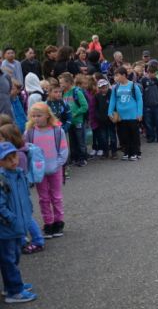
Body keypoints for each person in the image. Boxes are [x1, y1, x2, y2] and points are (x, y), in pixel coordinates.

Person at [24, 102, 69, 242]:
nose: (36, 118)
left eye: (39, 115)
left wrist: (58, 164)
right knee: (43, 198)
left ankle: (59, 222)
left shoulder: (57, 130)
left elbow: (63, 150)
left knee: (56, 196)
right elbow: (26, 151)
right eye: (34, 116)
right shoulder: (29, 132)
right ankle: (48, 223)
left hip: (55, 169)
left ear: (47, 115)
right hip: (39, 172)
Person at [0, 141, 37, 303]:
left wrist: (27, 213)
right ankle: (14, 291)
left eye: (14, 156)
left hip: (17, 226)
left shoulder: (19, 173)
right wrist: (12, 219)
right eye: (7, 159)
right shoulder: (2, 179)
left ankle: (11, 285)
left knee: (14, 256)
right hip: (6, 228)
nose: (13, 161)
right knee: (9, 259)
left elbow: (25, 197)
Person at [108, 67, 143, 161]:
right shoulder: (116, 87)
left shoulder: (133, 86)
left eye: (117, 75)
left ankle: (135, 152)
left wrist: (139, 113)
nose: (115, 77)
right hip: (121, 116)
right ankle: (127, 152)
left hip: (132, 115)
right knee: (124, 135)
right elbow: (113, 100)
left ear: (123, 75)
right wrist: (109, 112)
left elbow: (139, 100)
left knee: (133, 135)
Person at [59, 72, 88, 167]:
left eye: (62, 83)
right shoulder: (63, 93)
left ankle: (83, 158)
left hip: (78, 121)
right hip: (69, 122)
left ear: (68, 83)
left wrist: (75, 113)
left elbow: (85, 106)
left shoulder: (77, 92)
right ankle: (74, 157)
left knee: (80, 140)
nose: (60, 85)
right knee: (72, 141)